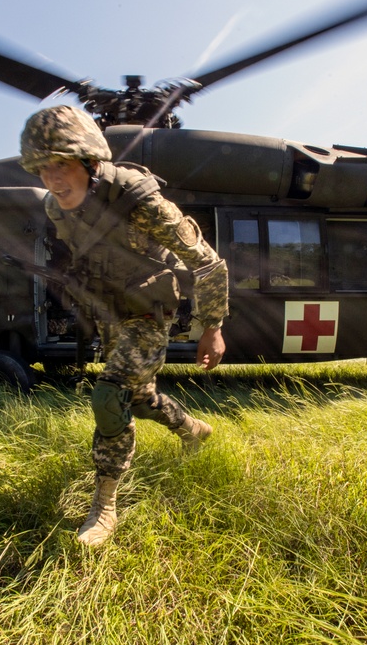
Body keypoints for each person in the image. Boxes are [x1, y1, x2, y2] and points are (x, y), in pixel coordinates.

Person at [19, 105, 229, 546]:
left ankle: (105, 505)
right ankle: (192, 430)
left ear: (91, 163)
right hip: (110, 311)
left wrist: (212, 327)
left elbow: (207, 264)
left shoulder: (140, 200)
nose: (53, 179)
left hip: (151, 311)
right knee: (138, 398)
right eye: (42, 169)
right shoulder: (55, 208)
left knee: (109, 393)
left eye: (62, 164)